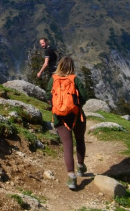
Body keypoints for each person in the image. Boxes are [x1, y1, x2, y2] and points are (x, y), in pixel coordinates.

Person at [48, 56, 87, 190]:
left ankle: (71, 176)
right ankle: (81, 167)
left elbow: (49, 97)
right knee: (80, 140)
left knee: (67, 145)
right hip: (76, 116)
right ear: (72, 67)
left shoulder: (53, 79)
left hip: (59, 118)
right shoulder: (75, 79)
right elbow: (84, 97)